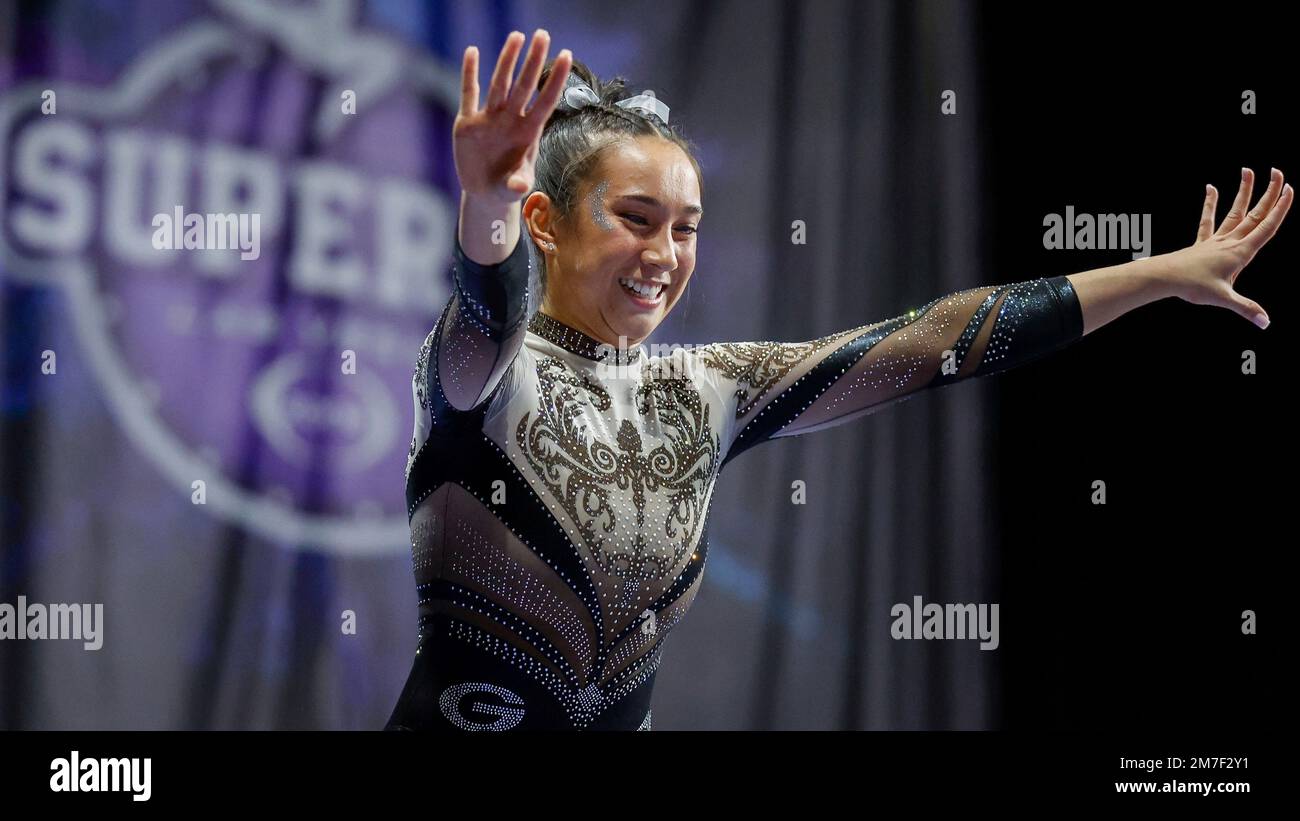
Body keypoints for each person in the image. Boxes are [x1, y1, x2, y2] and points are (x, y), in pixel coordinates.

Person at [384, 30, 1291, 731]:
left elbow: (934, 339)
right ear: (547, 221)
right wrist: (489, 203)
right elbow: (488, 307)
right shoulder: (485, 375)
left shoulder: (709, 388)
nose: (664, 255)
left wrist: (1158, 273)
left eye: (688, 228)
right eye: (636, 217)